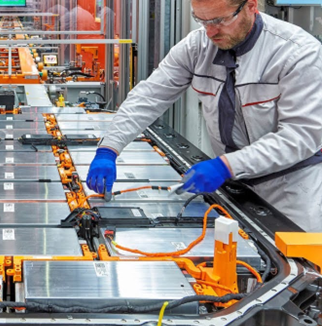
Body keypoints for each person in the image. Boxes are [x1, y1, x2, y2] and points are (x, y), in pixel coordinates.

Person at [86, 0, 322, 232]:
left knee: (295, 266)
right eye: (201, 20)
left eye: (219, 20)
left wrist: (226, 166)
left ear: (251, 6)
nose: (210, 31)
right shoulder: (197, 45)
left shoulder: (297, 53)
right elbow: (149, 97)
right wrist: (109, 149)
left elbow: (301, 135)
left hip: (289, 191)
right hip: (233, 186)